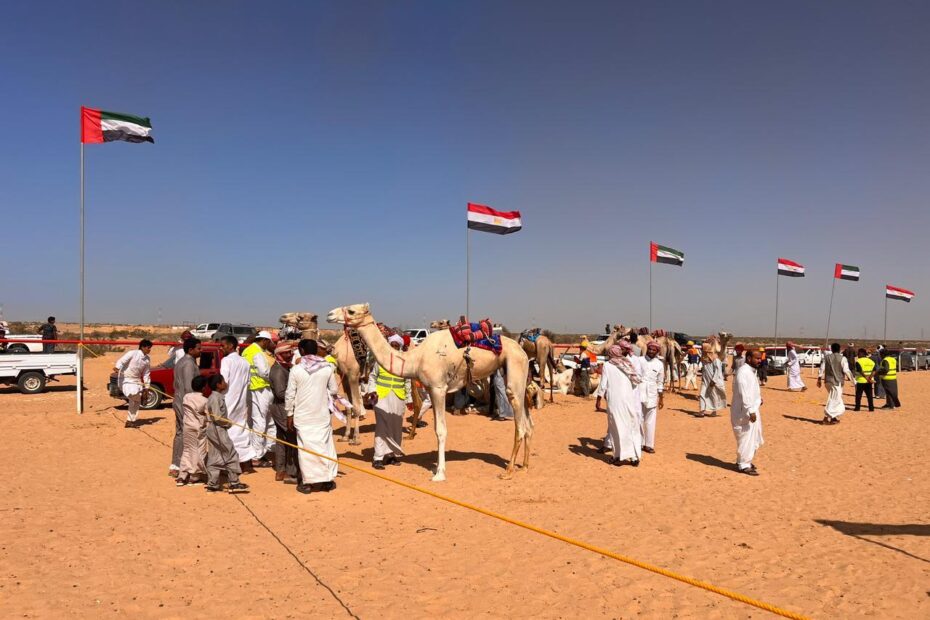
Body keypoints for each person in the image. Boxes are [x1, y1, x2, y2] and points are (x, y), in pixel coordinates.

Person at [286, 339, 340, 494]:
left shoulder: (296, 370)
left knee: (305, 450)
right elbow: (334, 390)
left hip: (303, 416)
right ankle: (326, 481)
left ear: (302, 351)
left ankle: (307, 483)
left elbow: (290, 395)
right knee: (324, 447)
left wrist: (289, 414)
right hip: (322, 415)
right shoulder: (327, 368)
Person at [594, 342, 642, 466]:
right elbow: (636, 381)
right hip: (628, 400)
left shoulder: (608, 366)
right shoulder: (627, 363)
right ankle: (635, 457)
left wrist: (598, 400)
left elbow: (603, 384)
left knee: (617, 428)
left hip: (615, 401)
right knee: (632, 426)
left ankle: (619, 456)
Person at [367, 334, 410, 469]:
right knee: (381, 427)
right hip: (381, 397)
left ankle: (391, 455)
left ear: (400, 347)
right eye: (392, 345)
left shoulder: (404, 362)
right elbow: (373, 377)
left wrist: (409, 399)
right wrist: (372, 392)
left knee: (396, 427)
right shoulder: (381, 361)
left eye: (397, 346)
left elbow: (407, 381)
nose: (394, 347)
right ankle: (378, 458)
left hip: (398, 398)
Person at [204, 374, 249, 493]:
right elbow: (218, 417)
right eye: (223, 381)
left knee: (215, 455)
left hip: (216, 429)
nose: (225, 383)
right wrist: (228, 423)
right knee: (230, 453)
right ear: (218, 385)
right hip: (218, 429)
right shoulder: (215, 398)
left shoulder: (217, 397)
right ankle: (234, 483)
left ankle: (212, 484)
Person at [219, 335, 255, 471]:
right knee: (241, 429)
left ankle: (229, 465)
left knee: (226, 431)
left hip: (228, 400)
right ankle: (245, 463)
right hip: (241, 401)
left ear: (231, 346)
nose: (221, 349)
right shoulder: (245, 362)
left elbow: (223, 383)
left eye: (223, 346)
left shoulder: (226, 361)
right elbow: (247, 382)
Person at [241, 331, 276, 467]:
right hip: (261, 389)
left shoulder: (246, 351)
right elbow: (264, 372)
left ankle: (259, 450)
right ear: (265, 341)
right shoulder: (258, 353)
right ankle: (257, 456)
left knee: (254, 420)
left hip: (250, 389)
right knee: (261, 422)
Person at [170, 338, 201, 477]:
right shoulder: (188, 364)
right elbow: (189, 388)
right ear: (191, 350)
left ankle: (176, 465)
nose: (201, 351)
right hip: (185, 403)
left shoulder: (183, 361)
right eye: (198, 348)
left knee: (180, 433)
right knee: (186, 434)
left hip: (179, 401)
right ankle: (181, 466)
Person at [270, 341, 300, 482]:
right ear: (280, 354)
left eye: (290, 352)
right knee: (292, 439)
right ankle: (290, 470)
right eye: (287, 353)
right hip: (282, 408)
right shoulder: (278, 371)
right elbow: (280, 393)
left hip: (282, 407)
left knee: (282, 440)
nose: (291, 355)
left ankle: (281, 470)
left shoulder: (285, 368)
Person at [731, 349, 764, 475]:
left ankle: (743, 461)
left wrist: (759, 400)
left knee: (751, 437)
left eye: (760, 358)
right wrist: (751, 410)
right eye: (757, 358)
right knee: (745, 437)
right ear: (749, 358)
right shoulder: (743, 372)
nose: (760, 361)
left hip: (751, 409)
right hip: (744, 412)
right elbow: (744, 393)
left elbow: (751, 391)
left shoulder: (751, 372)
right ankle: (744, 464)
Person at [177, 375, 208, 487]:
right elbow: (208, 416)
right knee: (198, 450)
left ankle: (182, 475)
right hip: (198, 428)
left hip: (187, 426)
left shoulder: (186, 397)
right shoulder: (204, 400)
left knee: (187, 449)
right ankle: (194, 477)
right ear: (204, 387)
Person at [113, 339, 152, 428]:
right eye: (148, 348)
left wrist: (147, 386)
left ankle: (130, 420)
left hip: (136, 381)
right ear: (142, 347)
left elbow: (146, 374)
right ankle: (140, 396)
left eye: (150, 348)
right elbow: (121, 361)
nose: (149, 350)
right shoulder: (132, 353)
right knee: (134, 395)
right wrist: (117, 367)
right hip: (125, 379)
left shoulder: (147, 359)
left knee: (135, 402)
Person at [817, 342, 853, 424]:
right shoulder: (843, 358)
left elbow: (821, 369)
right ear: (839, 349)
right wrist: (854, 381)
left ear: (832, 349)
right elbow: (846, 370)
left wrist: (819, 379)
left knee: (837, 399)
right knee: (834, 399)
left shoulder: (826, 358)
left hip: (827, 382)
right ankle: (826, 418)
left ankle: (834, 417)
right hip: (837, 382)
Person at [640, 340, 665, 454]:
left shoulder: (659, 364)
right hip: (639, 394)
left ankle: (648, 445)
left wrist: (661, 398)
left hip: (652, 395)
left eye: (653, 350)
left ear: (657, 352)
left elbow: (660, 383)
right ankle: (639, 442)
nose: (651, 351)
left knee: (650, 421)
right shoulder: (639, 361)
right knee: (638, 419)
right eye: (649, 349)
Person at [699, 342, 726, 417]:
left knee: (713, 396)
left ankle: (714, 412)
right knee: (702, 394)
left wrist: (713, 381)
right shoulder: (704, 359)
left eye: (702, 348)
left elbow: (717, 371)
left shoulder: (715, 359)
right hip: (705, 380)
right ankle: (702, 411)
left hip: (713, 382)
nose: (701, 350)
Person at [853, 348, 876, 412]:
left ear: (861, 353)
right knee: (870, 396)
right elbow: (874, 371)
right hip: (869, 381)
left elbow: (860, 371)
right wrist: (870, 378)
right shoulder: (871, 361)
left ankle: (857, 408)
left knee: (858, 395)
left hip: (861, 381)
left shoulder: (858, 361)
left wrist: (866, 378)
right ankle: (871, 408)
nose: (857, 355)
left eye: (858, 353)